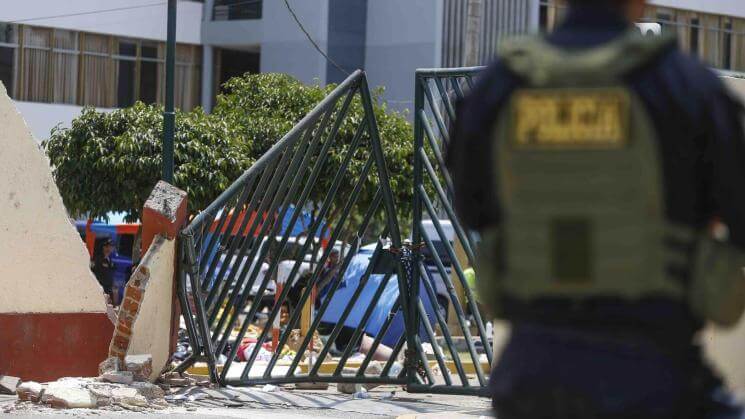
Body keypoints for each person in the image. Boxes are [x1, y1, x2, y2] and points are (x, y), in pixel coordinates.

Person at [447, 0, 745, 417]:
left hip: (530, 382)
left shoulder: (498, 88)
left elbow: (472, 210)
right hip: (660, 383)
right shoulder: (687, 87)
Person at [92, 238, 116, 304]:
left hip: (109, 289)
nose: (108, 249)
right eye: (106, 247)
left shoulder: (110, 260)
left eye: (110, 247)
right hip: (101, 289)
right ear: (103, 247)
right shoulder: (98, 259)